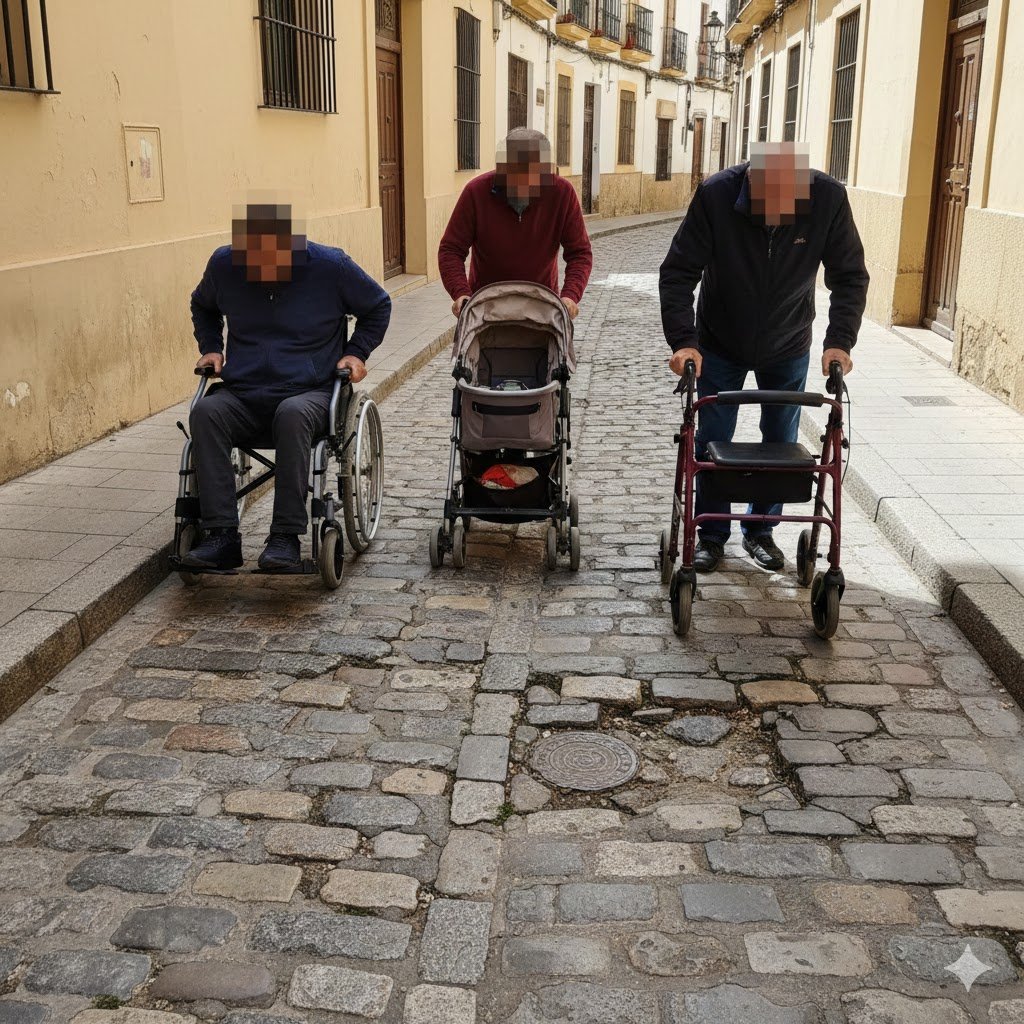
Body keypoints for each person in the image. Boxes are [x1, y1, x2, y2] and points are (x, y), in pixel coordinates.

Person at [659, 142, 869, 573]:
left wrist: (840, 342)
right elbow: (679, 272)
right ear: (749, 185)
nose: (774, 213)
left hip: (788, 339)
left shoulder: (827, 199)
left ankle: (760, 530)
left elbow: (849, 276)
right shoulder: (717, 196)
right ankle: (712, 532)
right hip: (719, 337)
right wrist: (684, 341)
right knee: (713, 435)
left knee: (780, 439)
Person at [183, 203, 391, 572]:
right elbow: (203, 305)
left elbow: (378, 305)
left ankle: (285, 538)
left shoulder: (331, 267)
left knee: (291, 415)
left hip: (308, 391)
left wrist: (356, 353)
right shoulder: (224, 265)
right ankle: (221, 535)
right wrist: (212, 347)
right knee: (206, 412)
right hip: (245, 391)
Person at [438, 128, 592, 320]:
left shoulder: (562, 193)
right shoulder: (476, 192)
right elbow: (450, 250)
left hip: (542, 308)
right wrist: (461, 293)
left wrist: (570, 296)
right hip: (485, 309)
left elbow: (580, 252)